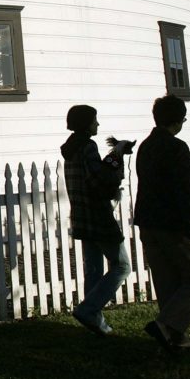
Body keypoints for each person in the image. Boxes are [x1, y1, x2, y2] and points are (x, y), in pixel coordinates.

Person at [134, 94, 190, 352]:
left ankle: (174, 338)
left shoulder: (145, 147)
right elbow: (186, 188)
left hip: (149, 222)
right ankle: (167, 325)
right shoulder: (176, 147)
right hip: (174, 223)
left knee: (168, 281)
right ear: (179, 120)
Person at [60, 104, 132, 336]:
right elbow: (98, 179)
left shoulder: (71, 148)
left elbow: (93, 171)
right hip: (97, 215)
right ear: (86, 123)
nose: (97, 124)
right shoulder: (88, 146)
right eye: (94, 120)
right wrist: (117, 158)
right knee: (122, 266)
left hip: (81, 216)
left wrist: (114, 155)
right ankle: (88, 310)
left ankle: (96, 323)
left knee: (93, 271)